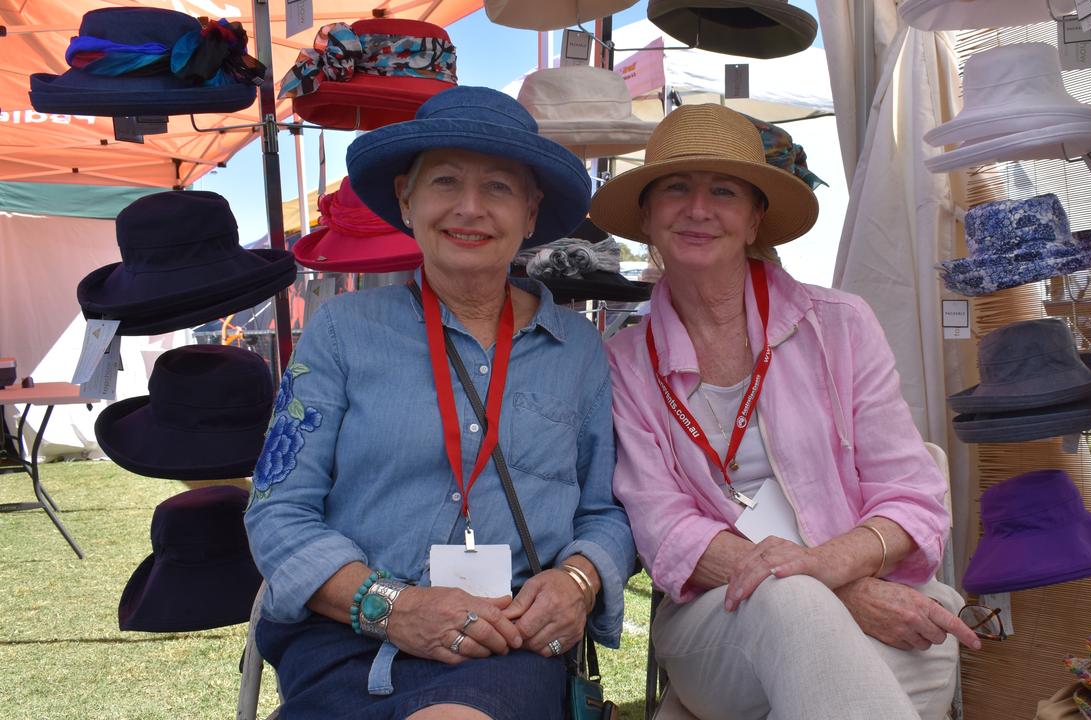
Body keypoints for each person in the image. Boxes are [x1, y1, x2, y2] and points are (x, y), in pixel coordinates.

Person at [244, 86, 634, 720]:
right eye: (446, 181)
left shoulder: (579, 350)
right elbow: (278, 511)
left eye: (500, 188)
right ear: (406, 198)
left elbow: (607, 512)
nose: (470, 208)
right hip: (348, 633)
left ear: (531, 212)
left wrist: (578, 581)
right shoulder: (343, 331)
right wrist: (392, 607)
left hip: (505, 642)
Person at [591, 103, 978, 720]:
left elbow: (911, 495)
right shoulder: (621, 362)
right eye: (674, 189)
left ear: (753, 220)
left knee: (868, 668)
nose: (698, 209)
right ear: (647, 216)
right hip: (720, 620)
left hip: (886, 602)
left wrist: (825, 567)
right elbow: (661, 524)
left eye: (724, 191)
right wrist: (832, 590)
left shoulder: (841, 326)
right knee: (793, 607)